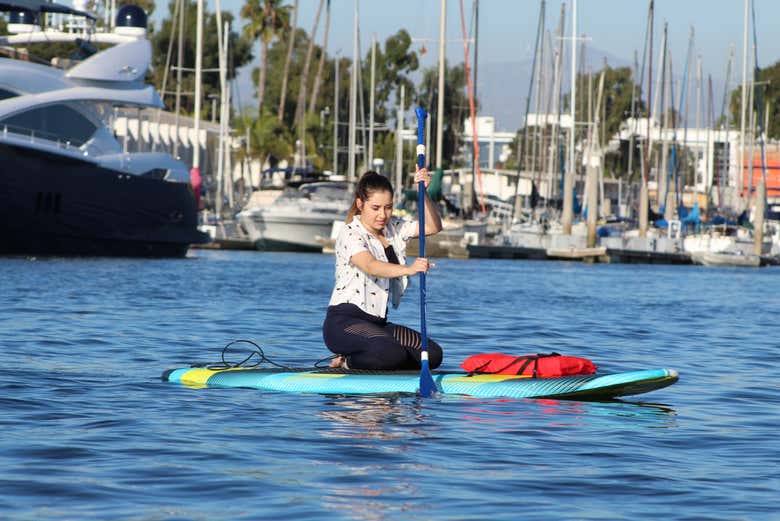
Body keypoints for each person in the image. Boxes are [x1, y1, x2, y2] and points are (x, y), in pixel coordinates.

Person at [323, 167, 444, 371]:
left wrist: (422, 193)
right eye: (376, 207)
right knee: (390, 353)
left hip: (377, 325)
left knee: (431, 354)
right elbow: (370, 265)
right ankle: (346, 362)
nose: (383, 215)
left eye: (388, 207)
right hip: (344, 323)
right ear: (360, 204)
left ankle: (377, 358)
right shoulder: (350, 233)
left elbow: (433, 227)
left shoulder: (393, 228)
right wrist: (408, 269)